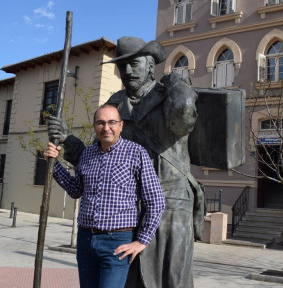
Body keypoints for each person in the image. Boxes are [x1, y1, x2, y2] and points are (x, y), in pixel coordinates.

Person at [48, 36, 204, 288]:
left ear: (151, 66)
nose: (128, 70)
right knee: (130, 281)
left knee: (170, 279)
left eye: (135, 63)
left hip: (170, 203)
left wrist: (177, 79)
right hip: (129, 210)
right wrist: (67, 139)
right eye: (123, 65)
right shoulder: (114, 104)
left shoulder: (170, 96)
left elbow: (183, 116)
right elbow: (96, 158)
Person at [44, 104, 165, 288]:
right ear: (94, 126)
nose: (106, 128)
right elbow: (76, 190)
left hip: (117, 243)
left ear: (121, 126)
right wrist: (53, 164)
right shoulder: (87, 154)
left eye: (112, 122)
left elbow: (156, 201)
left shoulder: (136, 153)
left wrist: (142, 241)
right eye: (100, 123)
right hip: (85, 240)